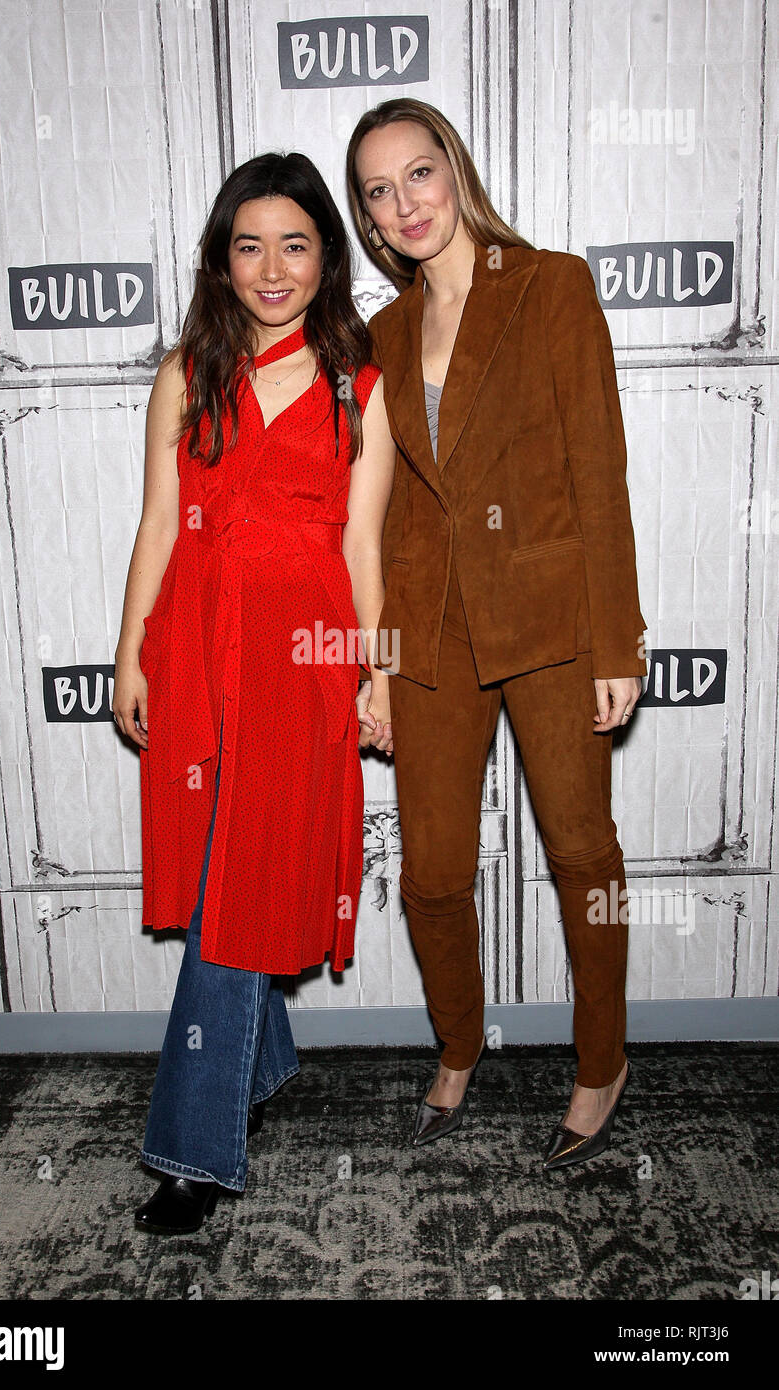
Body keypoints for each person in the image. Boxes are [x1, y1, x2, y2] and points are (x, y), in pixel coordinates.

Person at [345, 98, 648, 1168]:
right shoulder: (379, 334)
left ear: (455, 171)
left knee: (580, 853)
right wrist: (374, 663)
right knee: (429, 870)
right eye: (378, 191)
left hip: (552, 620)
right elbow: (375, 513)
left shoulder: (551, 285)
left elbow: (596, 472)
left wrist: (618, 640)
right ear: (367, 218)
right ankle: (459, 1045)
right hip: (429, 631)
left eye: (417, 174)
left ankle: (599, 1059)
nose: (403, 204)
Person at [112, 151, 395, 1233]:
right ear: (220, 261)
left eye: (294, 244)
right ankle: (259, 1066)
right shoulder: (187, 373)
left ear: (326, 258)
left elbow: (364, 547)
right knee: (214, 879)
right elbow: (154, 521)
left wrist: (376, 673)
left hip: (303, 661)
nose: (270, 268)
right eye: (247, 245)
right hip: (194, 647)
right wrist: (130, 649)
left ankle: (190, 1150)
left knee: (238, 890)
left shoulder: (355, 385)